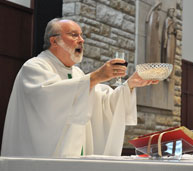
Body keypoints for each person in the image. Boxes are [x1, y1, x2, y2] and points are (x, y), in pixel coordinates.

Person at [1, 18, 159, 158]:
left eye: (81, 35)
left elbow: (102, 104)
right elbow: (50, 98)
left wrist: (130, 85)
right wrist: (96, 76)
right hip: (40, 157)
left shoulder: (77, 73)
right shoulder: (35, 67)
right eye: (74, 35)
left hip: (75, 158)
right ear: (54, 41)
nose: (81, 40)